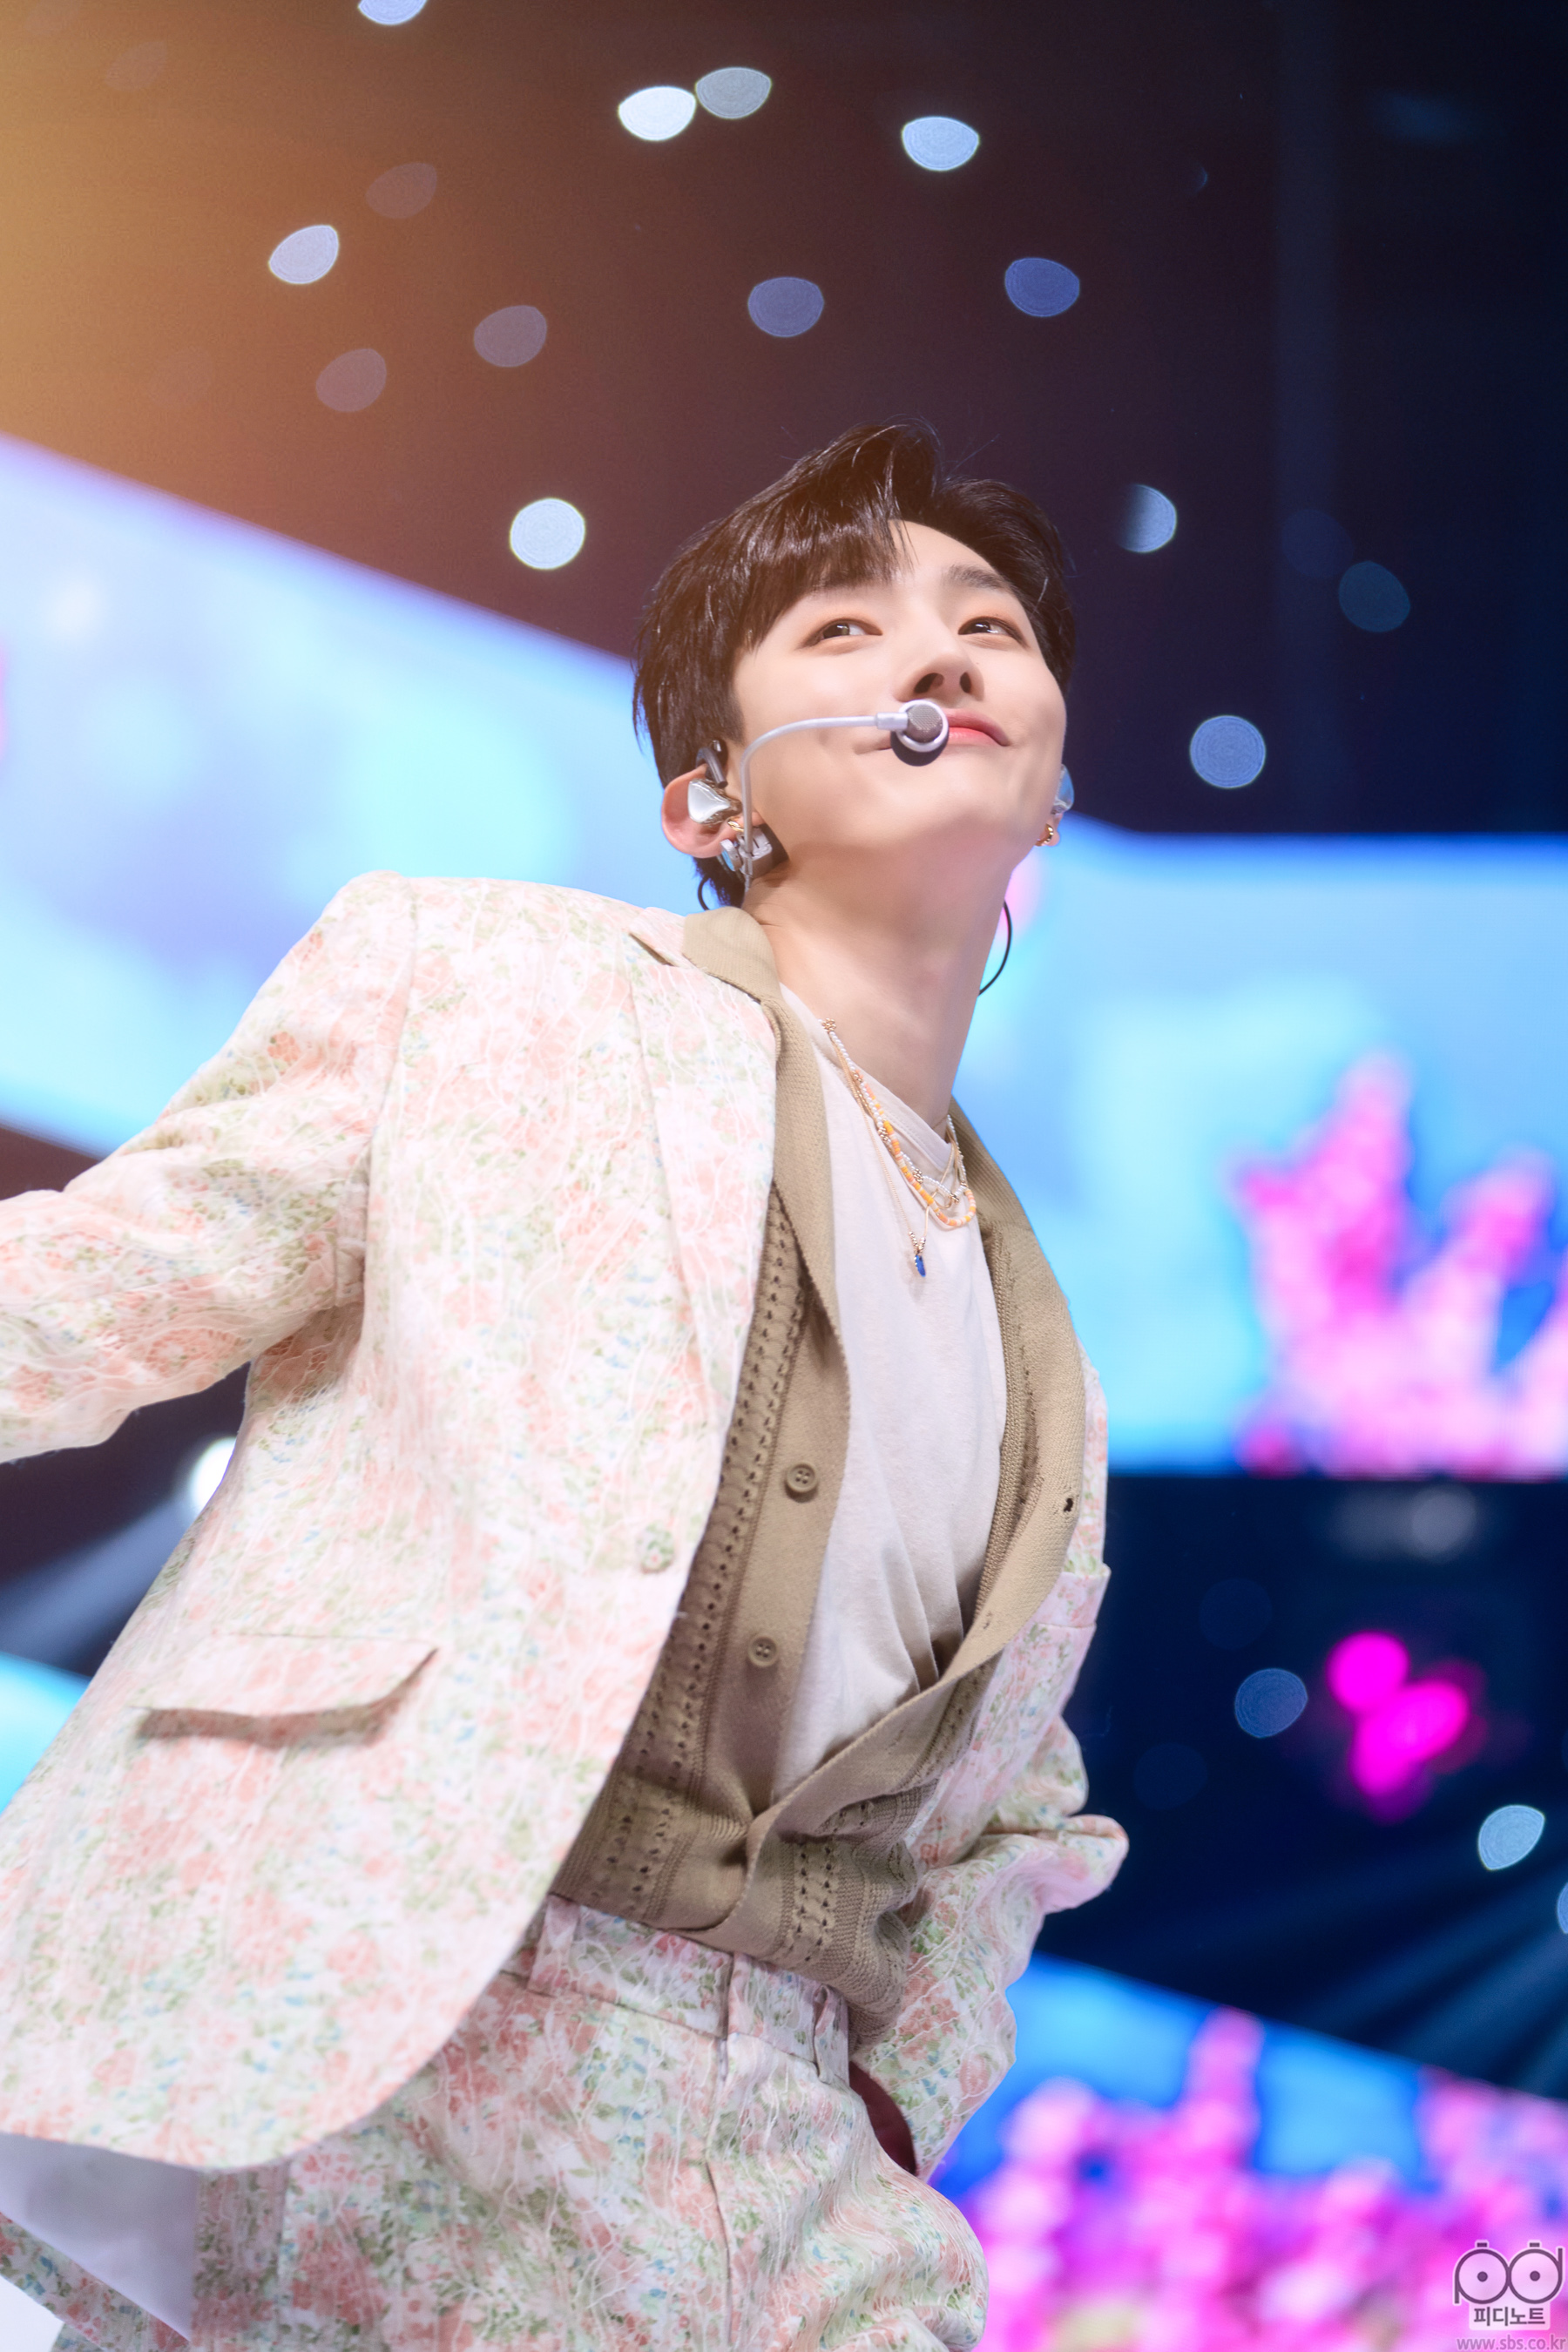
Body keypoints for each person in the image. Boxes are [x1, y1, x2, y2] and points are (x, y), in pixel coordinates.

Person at [0, 421, 1124, 2351]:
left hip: (806, 2171)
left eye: (991, 627)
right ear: (709, 797)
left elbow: (1018, 1808)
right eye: (845, 627)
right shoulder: (487, 988)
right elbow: (96, 1288)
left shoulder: (1051, 1341)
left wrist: (891, 2095)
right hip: (405, 2046)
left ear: (1052, 784)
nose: (941, 652)